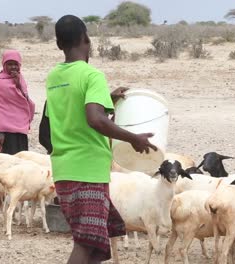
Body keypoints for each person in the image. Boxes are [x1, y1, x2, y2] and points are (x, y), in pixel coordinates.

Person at [46, 15, 157, 263]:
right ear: (87, 38)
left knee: (96, 242)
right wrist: (133, 138)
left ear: (58, 44)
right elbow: (95, 119)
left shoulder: (54, 77)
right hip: (88, 170)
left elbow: (63, 113)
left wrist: (107, 98)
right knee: (86, 243)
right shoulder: (91, 75)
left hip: (63, 170)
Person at [0, 50, 35, 154]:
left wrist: (18, 84)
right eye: (10, 64)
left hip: (20, 128)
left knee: (22, 159)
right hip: (5, 130)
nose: (13, 67)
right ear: (4, 65)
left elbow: (25, 101)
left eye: (16, 64)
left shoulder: (21, 79)